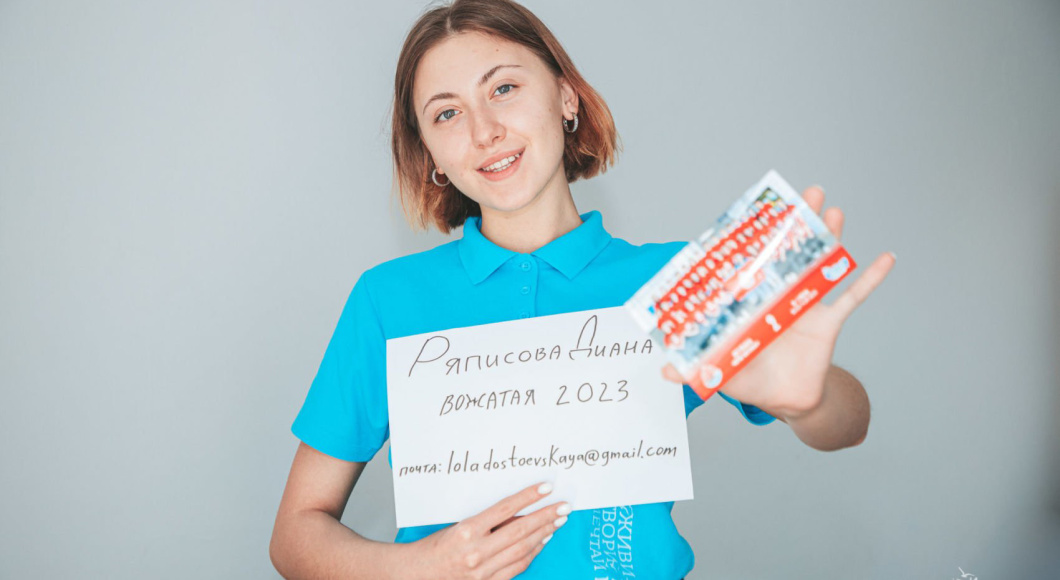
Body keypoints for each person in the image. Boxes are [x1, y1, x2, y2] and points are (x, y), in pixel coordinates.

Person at [269, 0, 896, 578]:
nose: (484, 131)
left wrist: (807, 401)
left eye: (504, 88)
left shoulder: (678, 278)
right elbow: (294, 537)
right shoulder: (388, 299)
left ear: (566, 98)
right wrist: (419, 568)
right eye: (447, 113)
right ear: (430, 152)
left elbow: (848, 426)